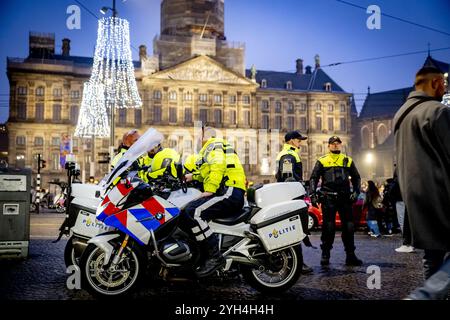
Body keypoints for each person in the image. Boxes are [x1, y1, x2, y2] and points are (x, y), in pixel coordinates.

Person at [393, 66, 450, 299]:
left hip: (415, 196)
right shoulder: (437, 111)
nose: (445, 87)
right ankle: (424, 296)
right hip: (441, 193)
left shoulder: (401, 115)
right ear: (435, 83)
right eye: (444, 83)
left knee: (432, 256)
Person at [183, 127, 247, 277]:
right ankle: (202, 255)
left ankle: (214, 256)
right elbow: (209, 171)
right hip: (229, 189)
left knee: (194, 212)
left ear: (207, 136)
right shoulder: (216, 148)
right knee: (191, 209)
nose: (198, 138)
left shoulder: (213, 144)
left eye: (200, 135)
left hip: (229, 190)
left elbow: (218, 165)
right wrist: (192, 177)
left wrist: (210, 190)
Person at [309, 135, 363, 266]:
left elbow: (357, 178)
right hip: (328, 198)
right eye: (333, 143)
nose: (335, 145)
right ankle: (325, 254)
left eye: (337, 143)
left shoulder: (348, 160)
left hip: (345, 198)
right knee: (328, 227)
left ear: (341, 145)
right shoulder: (322, 160)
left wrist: (356, 191)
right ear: (328, 146)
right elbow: (313, 178)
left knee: (349, 227)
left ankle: (350, 255)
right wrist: (312, 194)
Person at [275, 130, 313, 275]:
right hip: (290, 196)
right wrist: (298, 190)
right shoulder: (288, 155)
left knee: (291, 230)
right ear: (291, 141)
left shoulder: (289, 153)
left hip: (288, 195)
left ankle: (292, 261)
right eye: (298, 140)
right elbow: (288, 177)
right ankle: (296, 263)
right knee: (293, 230)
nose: (300, 143)